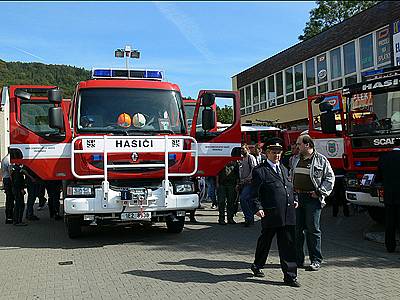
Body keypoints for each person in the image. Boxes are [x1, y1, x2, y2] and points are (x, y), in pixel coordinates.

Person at [250, 138, 300, 288]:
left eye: (279, 152)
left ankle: (290, 276)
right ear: (267, 153)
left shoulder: (284, 169)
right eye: (273, 152)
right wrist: (258, 208)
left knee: (288, 244)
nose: (277, 155)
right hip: (271, 214)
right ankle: (257, 265)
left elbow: (290, 187)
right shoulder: (260, 171)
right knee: (265, 241)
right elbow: (255, 193)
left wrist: (295, 198)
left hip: (288, 213)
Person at [291, 134, 335, 271]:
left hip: (312, 199)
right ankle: (298, 260)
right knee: (297, 230)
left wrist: (320, 192)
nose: (296, 146)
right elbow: (290, 176)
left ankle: (315, 260)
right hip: (298, 198)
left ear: (307, 145)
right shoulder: (294, 159)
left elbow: (330, 178)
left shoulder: (321, 160)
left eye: (299, 144)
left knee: (313, 230)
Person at [376, 148, 400, 253]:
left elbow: (378, 178)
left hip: (389, 196)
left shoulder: (383, 158)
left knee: (389, 222)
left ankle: (390, 246)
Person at [238, 143, 257, 227]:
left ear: (247, 149)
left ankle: (249, 218)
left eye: (243, 149)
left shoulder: (250, 157)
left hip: (249, 183)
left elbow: (254, 169)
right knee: (246, 201)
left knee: (243, 199)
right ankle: (248, 219)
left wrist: (247, 179)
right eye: (241, 149)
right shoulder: (241, 159)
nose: (242, 150)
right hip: (242, 183)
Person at [216, 161, 239, 225]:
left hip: (232, 184)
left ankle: (230, 218)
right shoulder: (222, 159)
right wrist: (217, 183)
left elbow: (237, 174)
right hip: (222, 184)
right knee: (221, 201)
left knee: (231, 201)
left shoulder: (235, 162)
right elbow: (217, 173)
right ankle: (221, 219)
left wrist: (237, 184)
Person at [1, 154, 14, 224]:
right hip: (8, 180)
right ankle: (9, 217)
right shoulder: (9, 159)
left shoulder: (4, 158)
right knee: (10, 199)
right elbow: (10, 172)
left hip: (5, 179)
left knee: (9, 198)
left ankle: (9, 217)